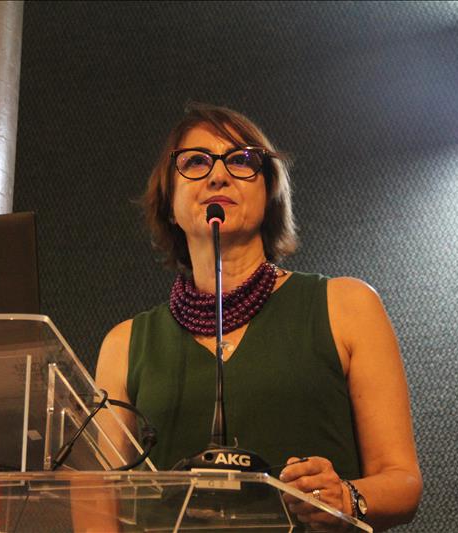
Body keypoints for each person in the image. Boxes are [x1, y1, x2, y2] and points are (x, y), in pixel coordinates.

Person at [95, 102, 422, 530]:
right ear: (170, 203)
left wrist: (346, 496)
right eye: (195, 162)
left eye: (241, 160)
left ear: (269, 194)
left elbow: (402, 482)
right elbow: (95, 502)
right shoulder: (123, 344)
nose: (218, 175)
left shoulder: (348, 306)